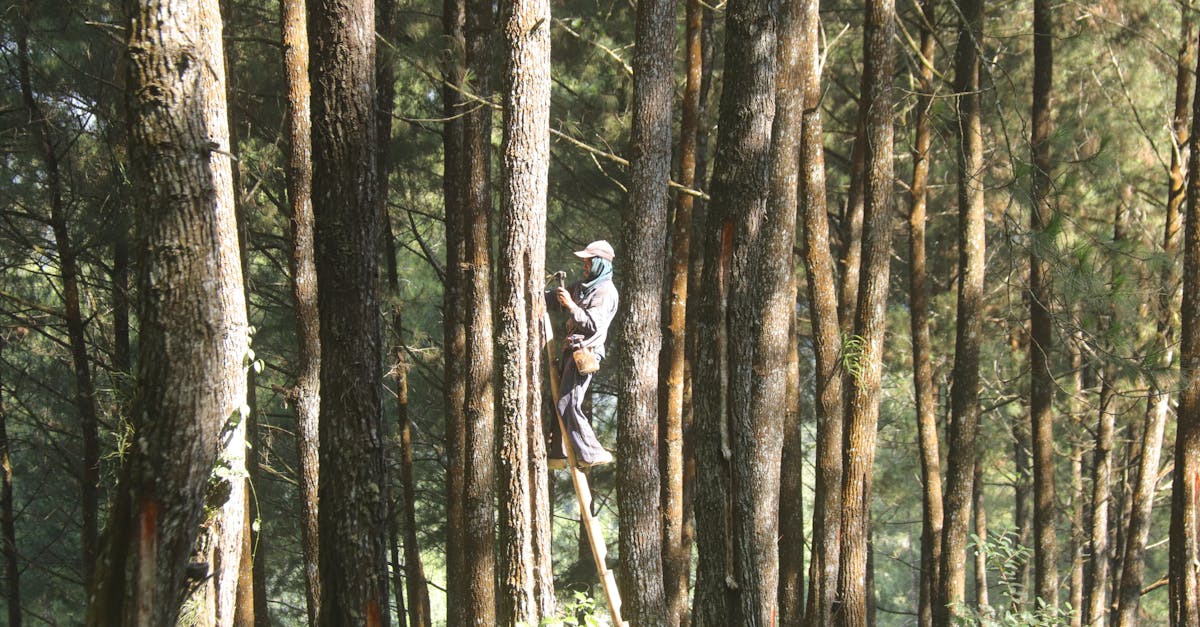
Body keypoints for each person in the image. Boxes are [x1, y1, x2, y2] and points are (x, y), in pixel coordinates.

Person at [548, 240, 619, 469]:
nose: (585, 266)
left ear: (600, 263)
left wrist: (571, 305)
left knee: (569, 403)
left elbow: (592, 325)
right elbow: (556, 299)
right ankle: (558, 454)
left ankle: (591, 453)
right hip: (572, 350)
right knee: (558, 401)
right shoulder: (583, 287)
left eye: (589, 261)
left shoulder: (606, 291)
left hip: (585, 354)